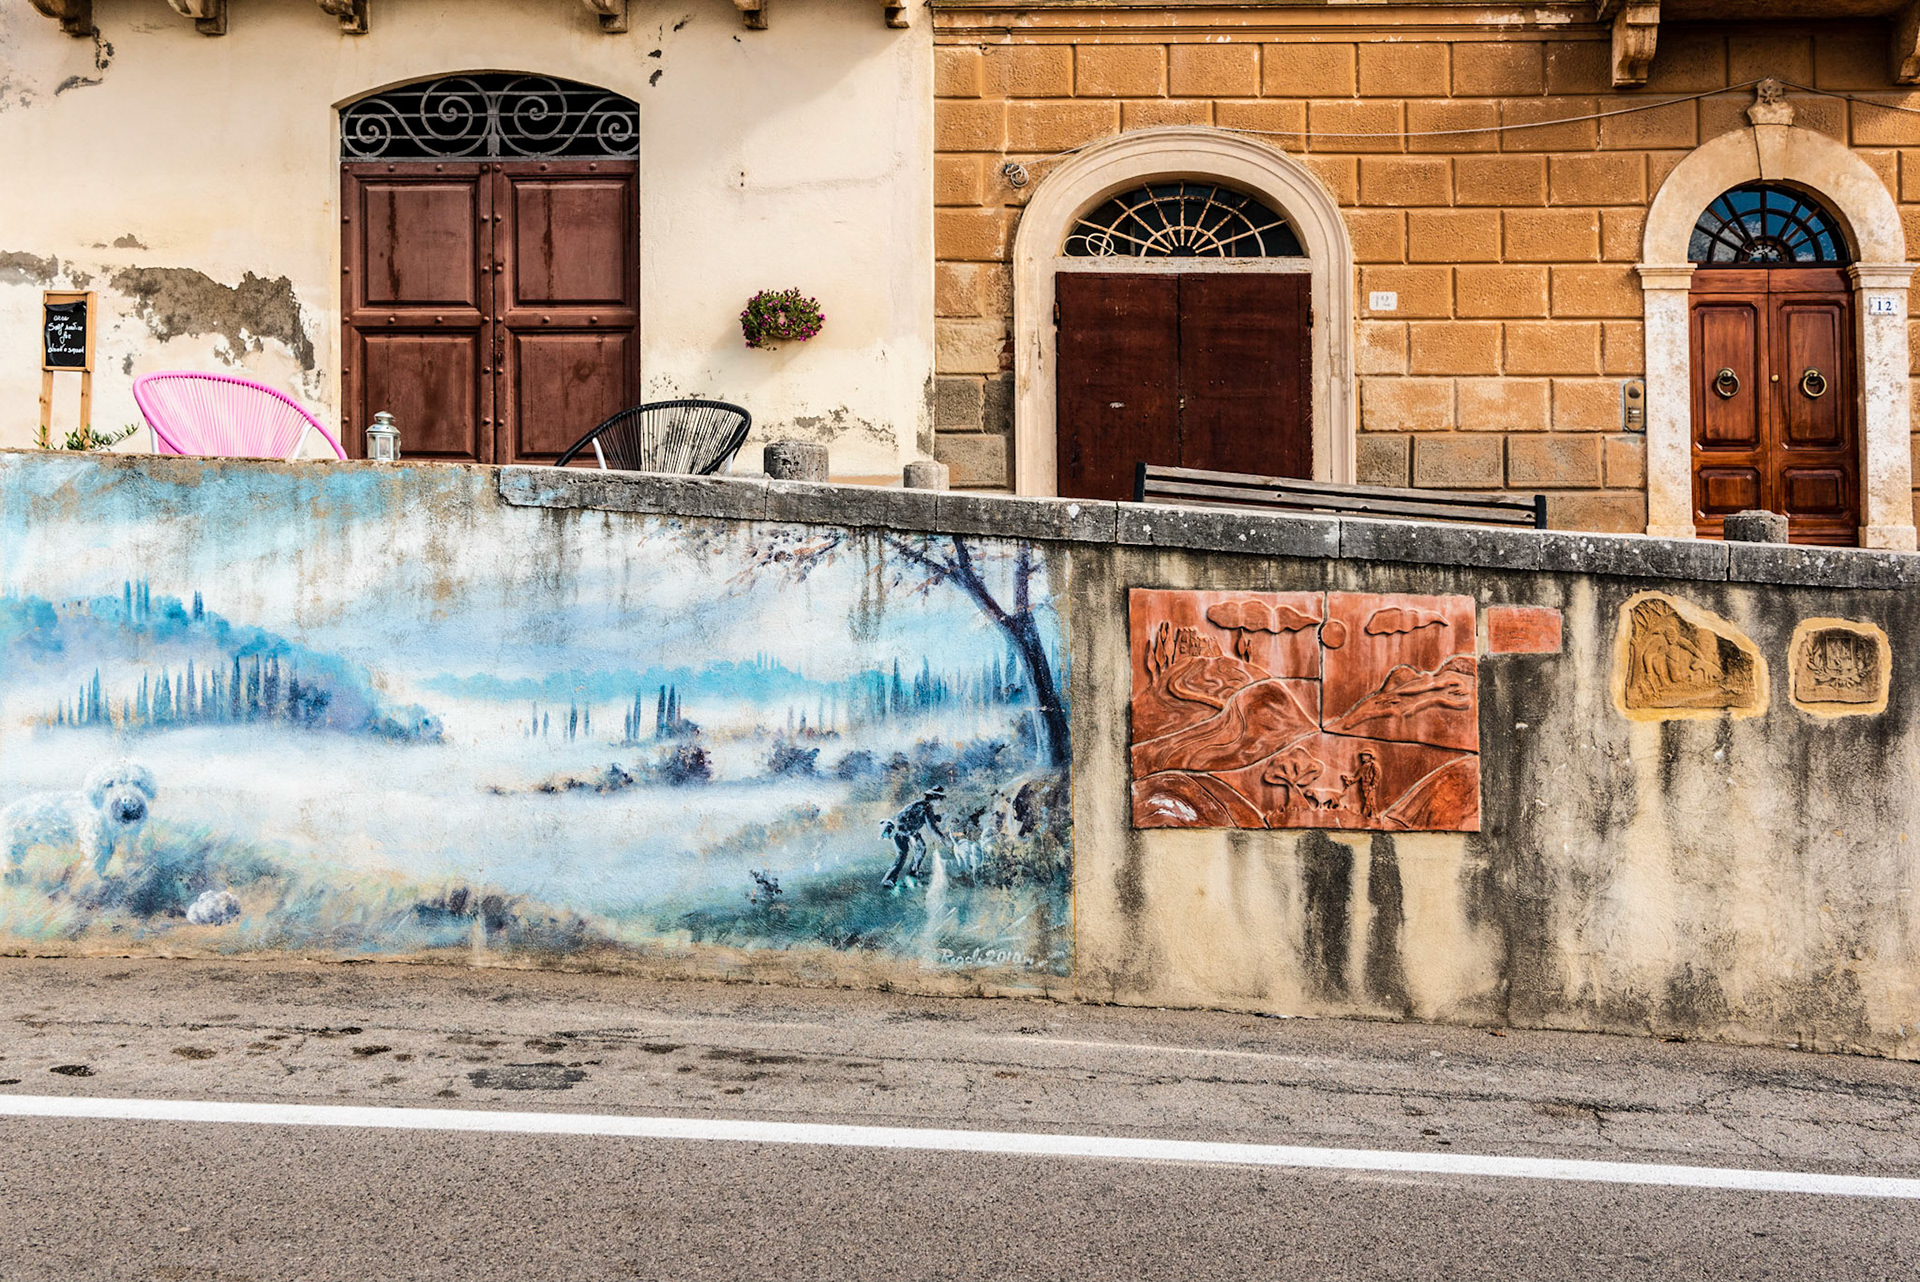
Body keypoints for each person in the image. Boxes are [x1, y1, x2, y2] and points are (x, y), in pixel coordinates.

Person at [880, 786, 952, 888]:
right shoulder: (925, 807)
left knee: (921, 848)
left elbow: (922, 818)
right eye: (939, 798)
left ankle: (913, 871)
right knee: (902, 855)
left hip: (911, 832)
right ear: (934, 797)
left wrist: (938, 817)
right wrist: (943, 839)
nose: (940, 801)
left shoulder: (923, 805)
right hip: (900, 832)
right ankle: (888, 879)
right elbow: (931, 828)